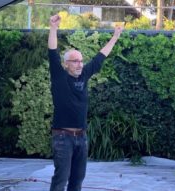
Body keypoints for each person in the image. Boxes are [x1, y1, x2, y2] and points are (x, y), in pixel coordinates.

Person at [48, 14, 123, 191]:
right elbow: (52, 53)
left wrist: (115, 37)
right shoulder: (59, 77)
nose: (80, 64)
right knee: (61, 179)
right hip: (62, 137)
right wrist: (53, 28)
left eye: (81, 61)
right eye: (75, 61)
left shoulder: (84, 75)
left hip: (81, 137)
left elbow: (100, 57)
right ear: (66, 64)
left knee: (77, 180)